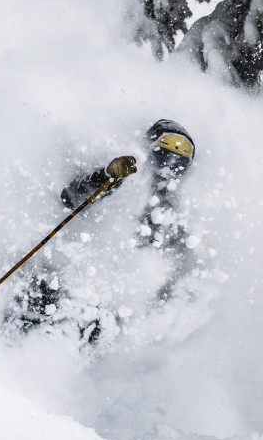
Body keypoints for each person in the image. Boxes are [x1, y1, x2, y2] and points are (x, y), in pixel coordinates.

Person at [12, 119, 197, 344]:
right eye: (163, 158)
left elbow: (172, 264)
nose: (167, 170)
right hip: (65, 275)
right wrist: (107, 177)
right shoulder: (124, 176)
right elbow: (71, 198)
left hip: (106, 300)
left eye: (177, 165)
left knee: (97, 328)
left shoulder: (170, 213)